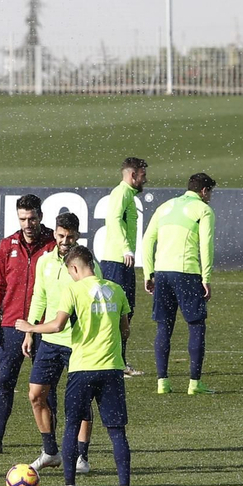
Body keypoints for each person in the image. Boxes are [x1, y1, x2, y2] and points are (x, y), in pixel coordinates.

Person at [16, 246, 134, 486]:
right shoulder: (117, 290)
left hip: (82, 368)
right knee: (117, 432)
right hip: (112, 368)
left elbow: (57, 325)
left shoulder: (73, 290)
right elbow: (125, 330)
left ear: (74, 268)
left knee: (71, 425)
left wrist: (30, 327)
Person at [0, 195, 56, 454]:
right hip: (11, 325)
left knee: (46, 388)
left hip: (43, 326)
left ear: (40, 217)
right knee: (5, 382)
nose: (27, 224)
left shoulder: (54, 244)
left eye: (32, 218)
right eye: (22, 219)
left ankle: (51, 446)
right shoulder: (7, 244)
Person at [25, 212, 93, 475]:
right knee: (35, 394)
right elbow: (39, 296)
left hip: (77, 341)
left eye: (70, 236)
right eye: (61, 235)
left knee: (80, 401)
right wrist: (30, 331)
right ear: (54, 233)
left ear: (77, 235)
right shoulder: (44, 262)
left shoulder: (84, 263)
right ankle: (50, 451)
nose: (65, 241)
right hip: (49, 341)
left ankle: (82, 456)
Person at [139, 172, 217, 395]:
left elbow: (147, 241)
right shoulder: (203, 210)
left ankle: (162, 382)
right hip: (187, 273)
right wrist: (206, 278)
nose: (210, 197)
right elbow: (206, 246)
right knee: (196, 325)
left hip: (162, 273)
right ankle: (194, 383)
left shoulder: (165, 207)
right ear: (203, 191)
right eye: (210, 192)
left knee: (164, 326)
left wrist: (148, 273)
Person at [99, 157, 148, 377]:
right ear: (132, 175)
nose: (145, 179)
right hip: (116, 262)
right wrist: (126, 248)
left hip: (121, 262)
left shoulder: (126, 194)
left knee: (125, 312)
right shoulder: (121, 194)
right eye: (142, 175)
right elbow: (114, 219)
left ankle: (119, 362)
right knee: (117, 313)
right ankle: (113, 362)